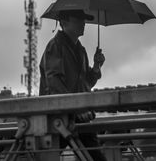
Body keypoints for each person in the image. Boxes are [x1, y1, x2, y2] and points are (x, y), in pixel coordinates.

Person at [39, 9, 107, 161]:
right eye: (78, 19)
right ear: (64, 22)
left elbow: (85, 83)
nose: (83, 23)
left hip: (74, 116)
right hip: (60, 117)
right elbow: (53, 83)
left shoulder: (80, 50)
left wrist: (96, 66)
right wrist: (76, 108)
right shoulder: (55, 46)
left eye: (83, 20)